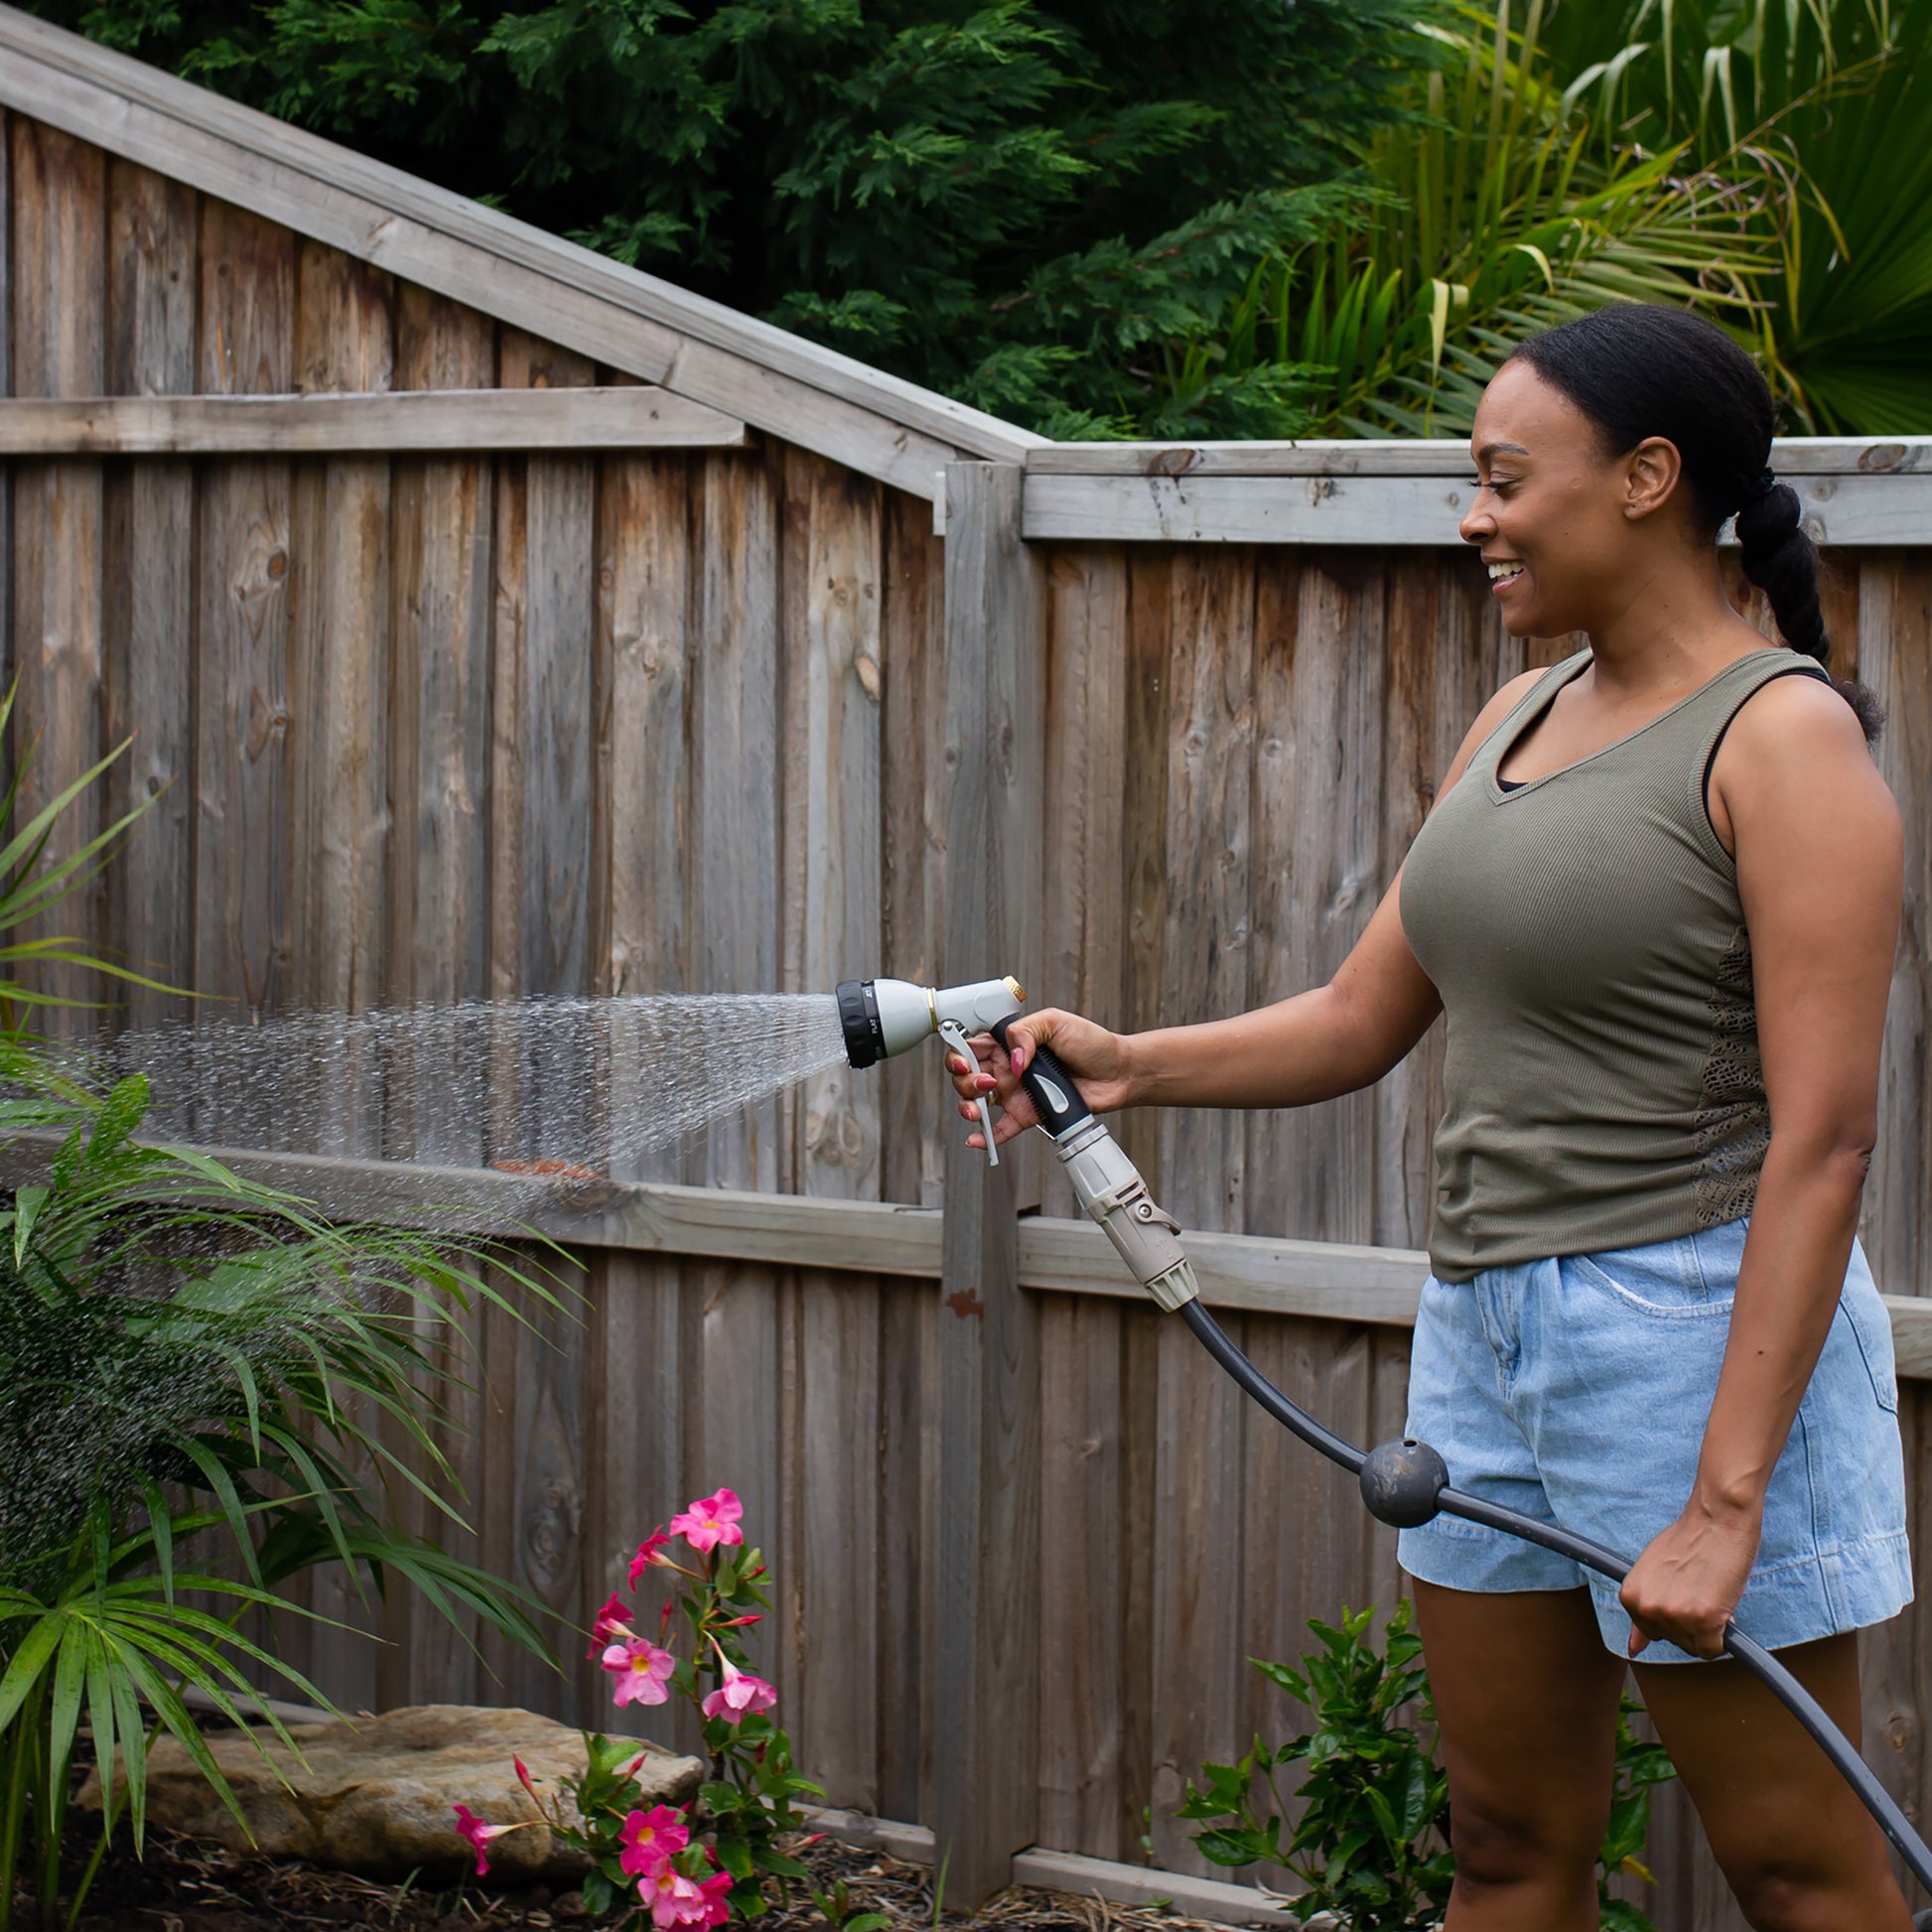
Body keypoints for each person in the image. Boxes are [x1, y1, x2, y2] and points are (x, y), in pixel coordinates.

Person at [949, 304, 1912, 1931]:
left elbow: (1822, 1142)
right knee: (1503, 1845)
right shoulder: (1517, 718)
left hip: (1689, 1335)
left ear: (1645, 479)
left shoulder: (1782, 736)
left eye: (1500, 476)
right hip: (1483, 1329)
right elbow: (1357, 1014)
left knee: (1794, 1865)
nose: (1470, 514)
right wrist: (1125, 1061)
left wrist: (1723, 1499)